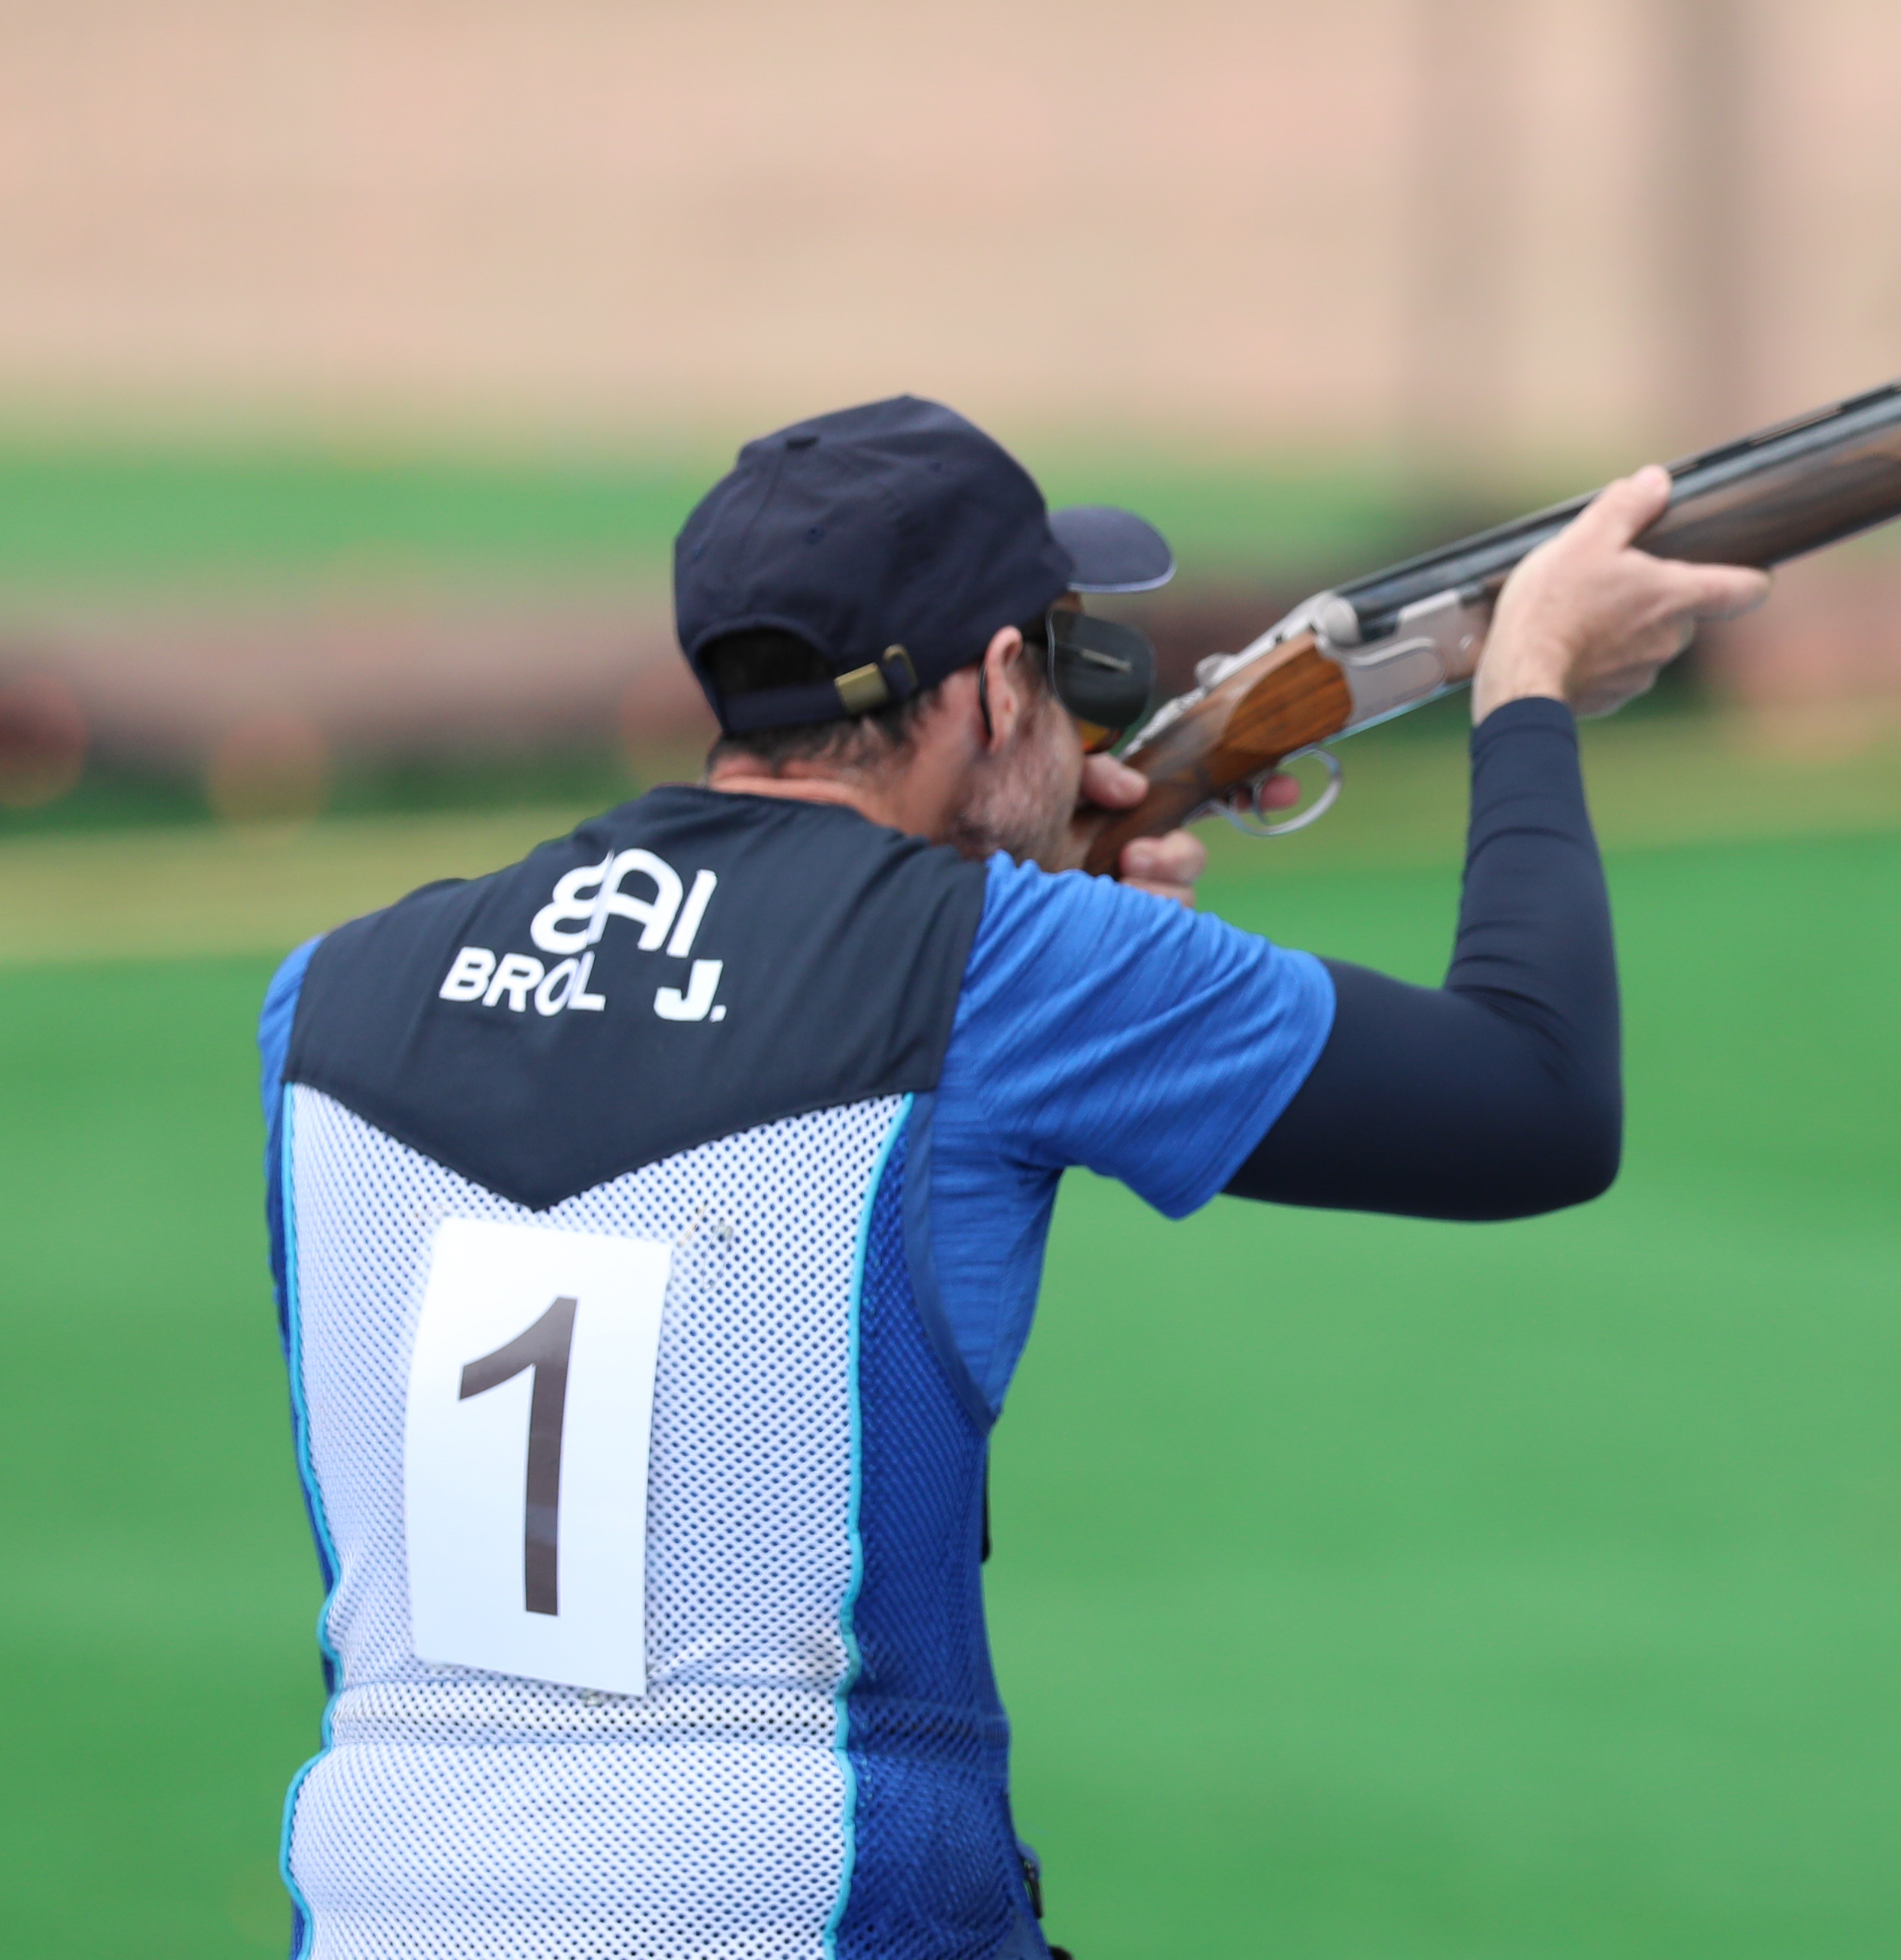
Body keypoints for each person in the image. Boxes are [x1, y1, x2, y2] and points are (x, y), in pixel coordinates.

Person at [255, 394, 1766, 1958]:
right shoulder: (1008, 964)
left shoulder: (329, 994)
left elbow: (681, 1062)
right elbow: (1537, 1101)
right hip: (816, 1903)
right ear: (990, 689)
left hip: (378, 1904)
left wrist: (1027, 899)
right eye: (1060, 661)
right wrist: (1526, 694)